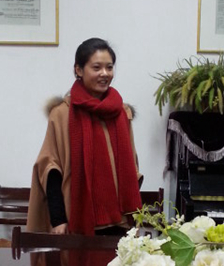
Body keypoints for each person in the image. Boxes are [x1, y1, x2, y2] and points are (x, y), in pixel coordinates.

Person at [26, 37, 142, 236]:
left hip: (121, 222)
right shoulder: (62, 114)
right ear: (78, 70)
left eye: (109, 67)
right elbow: (50, 169)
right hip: (77, 221)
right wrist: (58, 219)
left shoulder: (121, 113)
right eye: (96, 67)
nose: (104, 73)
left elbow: (131, 167)